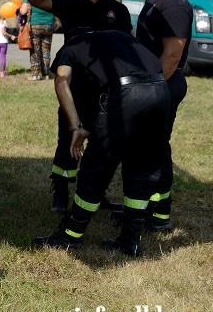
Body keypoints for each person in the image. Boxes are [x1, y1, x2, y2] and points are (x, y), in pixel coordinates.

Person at [33, 30, 170, 257]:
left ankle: (71, 235)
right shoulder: (118, 38)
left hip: (128, 93)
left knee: (96, 165)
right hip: (160, 90)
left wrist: (76, 127)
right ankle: (131, 239)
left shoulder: (71, 47)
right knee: (142, 166)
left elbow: (62, 81)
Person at [27, 0, 132, 212]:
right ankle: (60, 194)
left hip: (106, 88)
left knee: (102, 145)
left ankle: (97, 193)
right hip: (74, 87)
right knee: (67, 142)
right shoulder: (70, 2)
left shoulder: (117, 10)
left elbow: (128, 49)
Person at [128, 0, 192, 232]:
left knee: (155, 149)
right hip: (152, 82)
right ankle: (150, 210)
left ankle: (160, 215)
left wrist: (149, 88)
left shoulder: (175, 4)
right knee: (149, 147)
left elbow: (172, 56)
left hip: (164, 83)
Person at [20, 0, 56, 80]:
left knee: (35, 50)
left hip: (35, 25)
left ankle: (35, 75)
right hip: (49, 24)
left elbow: (23, 11)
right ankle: (46, 74)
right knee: (46, 50)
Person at [0, 7, 15, 78]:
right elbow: (3, 32)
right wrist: (11, 36)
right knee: (3, 57)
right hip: (3, 42)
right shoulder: (3, 22)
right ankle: (2, 72)